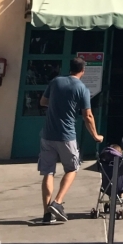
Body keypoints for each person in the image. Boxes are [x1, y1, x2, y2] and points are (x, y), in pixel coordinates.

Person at [38, 57, 103, 223]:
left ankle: (46, 214)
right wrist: (96, 136)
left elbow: (43, 101)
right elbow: (88, 115)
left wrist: (57, 104)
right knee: (72, 168)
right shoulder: (82, 88)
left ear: (70, 68)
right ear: (83, 70)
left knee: (48, 172)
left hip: (48, 134)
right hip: (66, 136)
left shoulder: (55, 82)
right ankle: (57, 202)